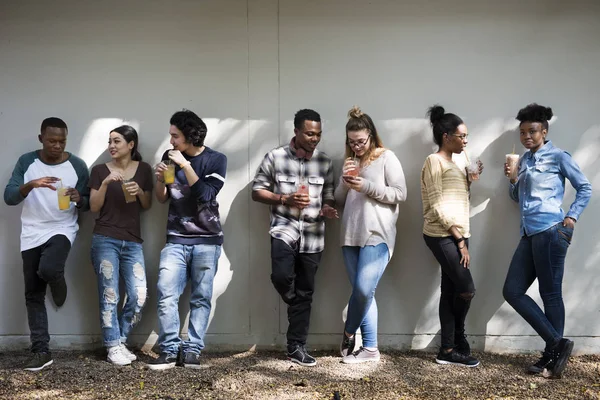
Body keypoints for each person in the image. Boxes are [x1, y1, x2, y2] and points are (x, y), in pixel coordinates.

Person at [502, 103, 591, 379]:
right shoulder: (524, 160)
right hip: (528, 233)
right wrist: (513, 179)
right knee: (512, 291)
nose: (527, 136)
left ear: (544, 131)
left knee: (550, 294)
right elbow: (517, 199)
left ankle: (552, 356)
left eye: (532, 131)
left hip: (552, 231)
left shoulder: (558, 156)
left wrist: (572, 217)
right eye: (523, 132)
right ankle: (557, 344)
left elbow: (585, 187)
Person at [252, 109, 337, 367]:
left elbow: (329, 194)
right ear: (297, 131)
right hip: (283, 227)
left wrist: (327, 207)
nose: (315, 138)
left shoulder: (324, 161)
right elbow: (257, 191)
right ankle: (294, 299)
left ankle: (296, 347)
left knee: (306, 292)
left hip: (314, 234)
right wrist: (284, 199)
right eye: (310, 133)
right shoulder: (275, 157)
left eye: (318, 134)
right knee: (282, 277)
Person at [3, 117, 89, 371]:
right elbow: (9, 198)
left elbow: (87, 200)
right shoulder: (27, 162)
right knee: (33, 294)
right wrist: (30, 185)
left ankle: (57, 279)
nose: (57, 146)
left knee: (50, 269)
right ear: (41, 138)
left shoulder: (76, 165)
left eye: (62, 141)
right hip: (31, 232)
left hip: (62, 228)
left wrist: (78, 198)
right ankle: (41, 350)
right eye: (52, 140)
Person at [148, 110, 227, 370]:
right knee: (166, 293)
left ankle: (192, 350)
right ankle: (169, 350)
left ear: (191, 136)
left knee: (201, 297)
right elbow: (162, 197)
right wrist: (160, 180)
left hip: (207, 240)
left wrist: (184, 164)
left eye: (175, 136)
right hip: (176, 239)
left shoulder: (216, 160)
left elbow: (205, 194)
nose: (171, 141)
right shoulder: (169, 157)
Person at [334, 106, 407, 364]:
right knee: (363, 293)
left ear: (371, 136)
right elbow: (339, 199)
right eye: (352, 142)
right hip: (349, 235)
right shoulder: (350, 161)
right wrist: (345, 181)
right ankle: (370, 350)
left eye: (361, 141)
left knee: (364, 290)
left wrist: (367, 186)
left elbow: (400, 193)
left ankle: (348, 331)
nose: (357, 146)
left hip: (377, 233)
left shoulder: (387, 158)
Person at [420, 105, 482, 368]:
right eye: (462, 136)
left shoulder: (458, 161)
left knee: (451, 291)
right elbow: (436, 205)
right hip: (441, 235)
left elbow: (458, 200)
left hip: (460, 232)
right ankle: (458, 339)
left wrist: (470, 180)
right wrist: (458, 240)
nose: (465, 141)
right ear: (446, 136)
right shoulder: (433, 162)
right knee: (466, 289)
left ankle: (447, 348)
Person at [88, 125, 153, 365]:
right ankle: (112, 346)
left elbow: (146, 205)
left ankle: (119, 339)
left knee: (139, 295)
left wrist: (139, 192)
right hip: (105, 239)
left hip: (133, 242)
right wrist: (105, 183)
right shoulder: (98, 171)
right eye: (110, 142)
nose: (112, 146)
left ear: (131, 144)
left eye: (117, 141)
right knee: (110, 295)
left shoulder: (144, 169)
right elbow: (94, 208)